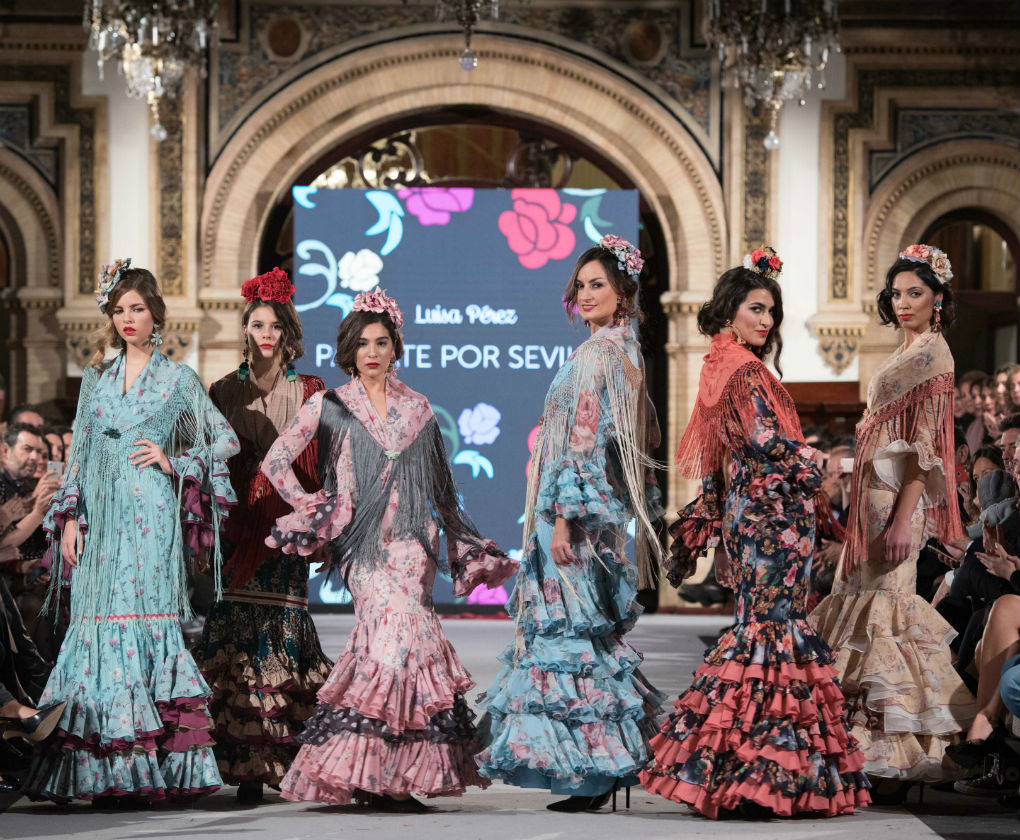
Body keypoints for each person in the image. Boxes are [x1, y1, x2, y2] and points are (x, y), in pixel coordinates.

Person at [639, 247, 868, 819]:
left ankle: (739, 769)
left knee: (760, 631)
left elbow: (722, 463)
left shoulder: (721, 364)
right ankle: (759, 776)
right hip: (772, 524)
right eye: (756, 309)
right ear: (729, 311)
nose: (766, 321)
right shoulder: (745, 370)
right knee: (771, 634)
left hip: (754, 518)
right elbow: (768, 443)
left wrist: (715, 527)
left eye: (772, 312)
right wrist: (829, 461)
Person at [267, 289, 516, 812]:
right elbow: (275, 462)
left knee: (406, 646)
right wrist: (316, 506)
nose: (373, 352)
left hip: (412, 545)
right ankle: (377, 776)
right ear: (349, 349)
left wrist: (467, 545)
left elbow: (443, 490)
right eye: (362, 343)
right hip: (364, 549)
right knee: (387, 644)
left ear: (395, 345)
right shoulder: (329, 405)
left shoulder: (417, 407)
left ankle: (387, 777)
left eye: (381, 341)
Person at [22, 260, 239, 804]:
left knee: (146, 621)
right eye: (119, 309)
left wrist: (175, 462)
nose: (127, 318)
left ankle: (151, 769)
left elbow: (225, 441)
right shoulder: (95, 380)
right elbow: (79, 456)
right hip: (101, 516)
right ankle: (99, 768)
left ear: (155, 314)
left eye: (137, 308)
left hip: (150, 514)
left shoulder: (178, 379)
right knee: (95, 621)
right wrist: (69, 519)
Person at [476, 235, 665, 813]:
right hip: (597, 516)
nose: (584, 295)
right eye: (580, 285)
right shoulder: (624, 352)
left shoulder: (597, 357)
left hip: (574, 520)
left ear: (623, 292)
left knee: (571, 639)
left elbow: (583, 445)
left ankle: (593, 771)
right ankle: (603, 766)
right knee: (590, 639)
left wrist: (561, 521)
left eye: (597, 285)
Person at [810, 245, 975, 792]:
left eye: (916, 293)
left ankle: (894, 757)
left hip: (895, 505)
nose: (903, 302)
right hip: (870, 502)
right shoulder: (908, 350)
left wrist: (905, 520)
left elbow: (926, 451)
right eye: (898, 293)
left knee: (887, 618)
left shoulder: (935, 356)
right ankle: (856, 749)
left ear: (938, 299)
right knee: (860, 614)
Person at [195, 268, 332, 804]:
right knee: (235, 632)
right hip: (237, 529)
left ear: (288, 332)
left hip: (285, 527)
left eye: (276, 325)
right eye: (258, 324)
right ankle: (244, 766)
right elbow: (207, 462)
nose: (267, 333)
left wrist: (320, 528)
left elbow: (322, 468)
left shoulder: (310, 391)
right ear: (246, 330)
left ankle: (288, 761)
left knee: (283, 627)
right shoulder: (222, 390)